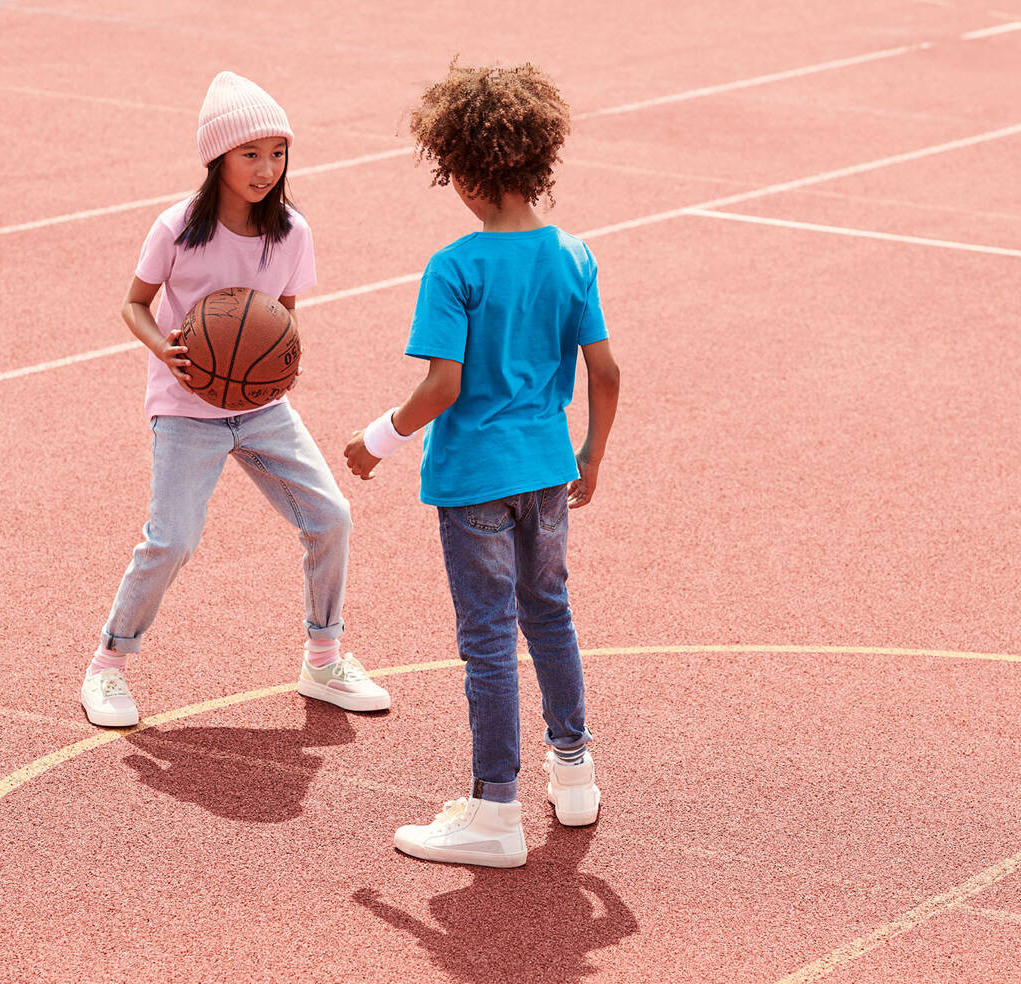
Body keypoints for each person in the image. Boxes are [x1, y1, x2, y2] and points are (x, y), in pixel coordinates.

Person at [344, 63, 621, 867]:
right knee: (551, 617)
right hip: (546, 473)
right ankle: (573, 773)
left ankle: (494, 810)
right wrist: (592, 454)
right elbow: (605, 372)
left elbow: (443, 384)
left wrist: (378, 439)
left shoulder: (455, 267)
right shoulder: (573, 255)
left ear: (459, 171)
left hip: (474, 482)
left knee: (490, 644)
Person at [81, 70, 390, 729]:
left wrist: (281, 359)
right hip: (187, 407)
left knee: (331, 516)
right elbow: (134, 305)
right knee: (172, 539)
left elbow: (285, 312)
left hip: (259, 406)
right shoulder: (176, 229)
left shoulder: (291, 232)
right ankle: (108, 666)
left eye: (277, 153)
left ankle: (324, 656)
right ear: (216, 158)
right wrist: (164, 348)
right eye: (250, 154)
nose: (266, 168)